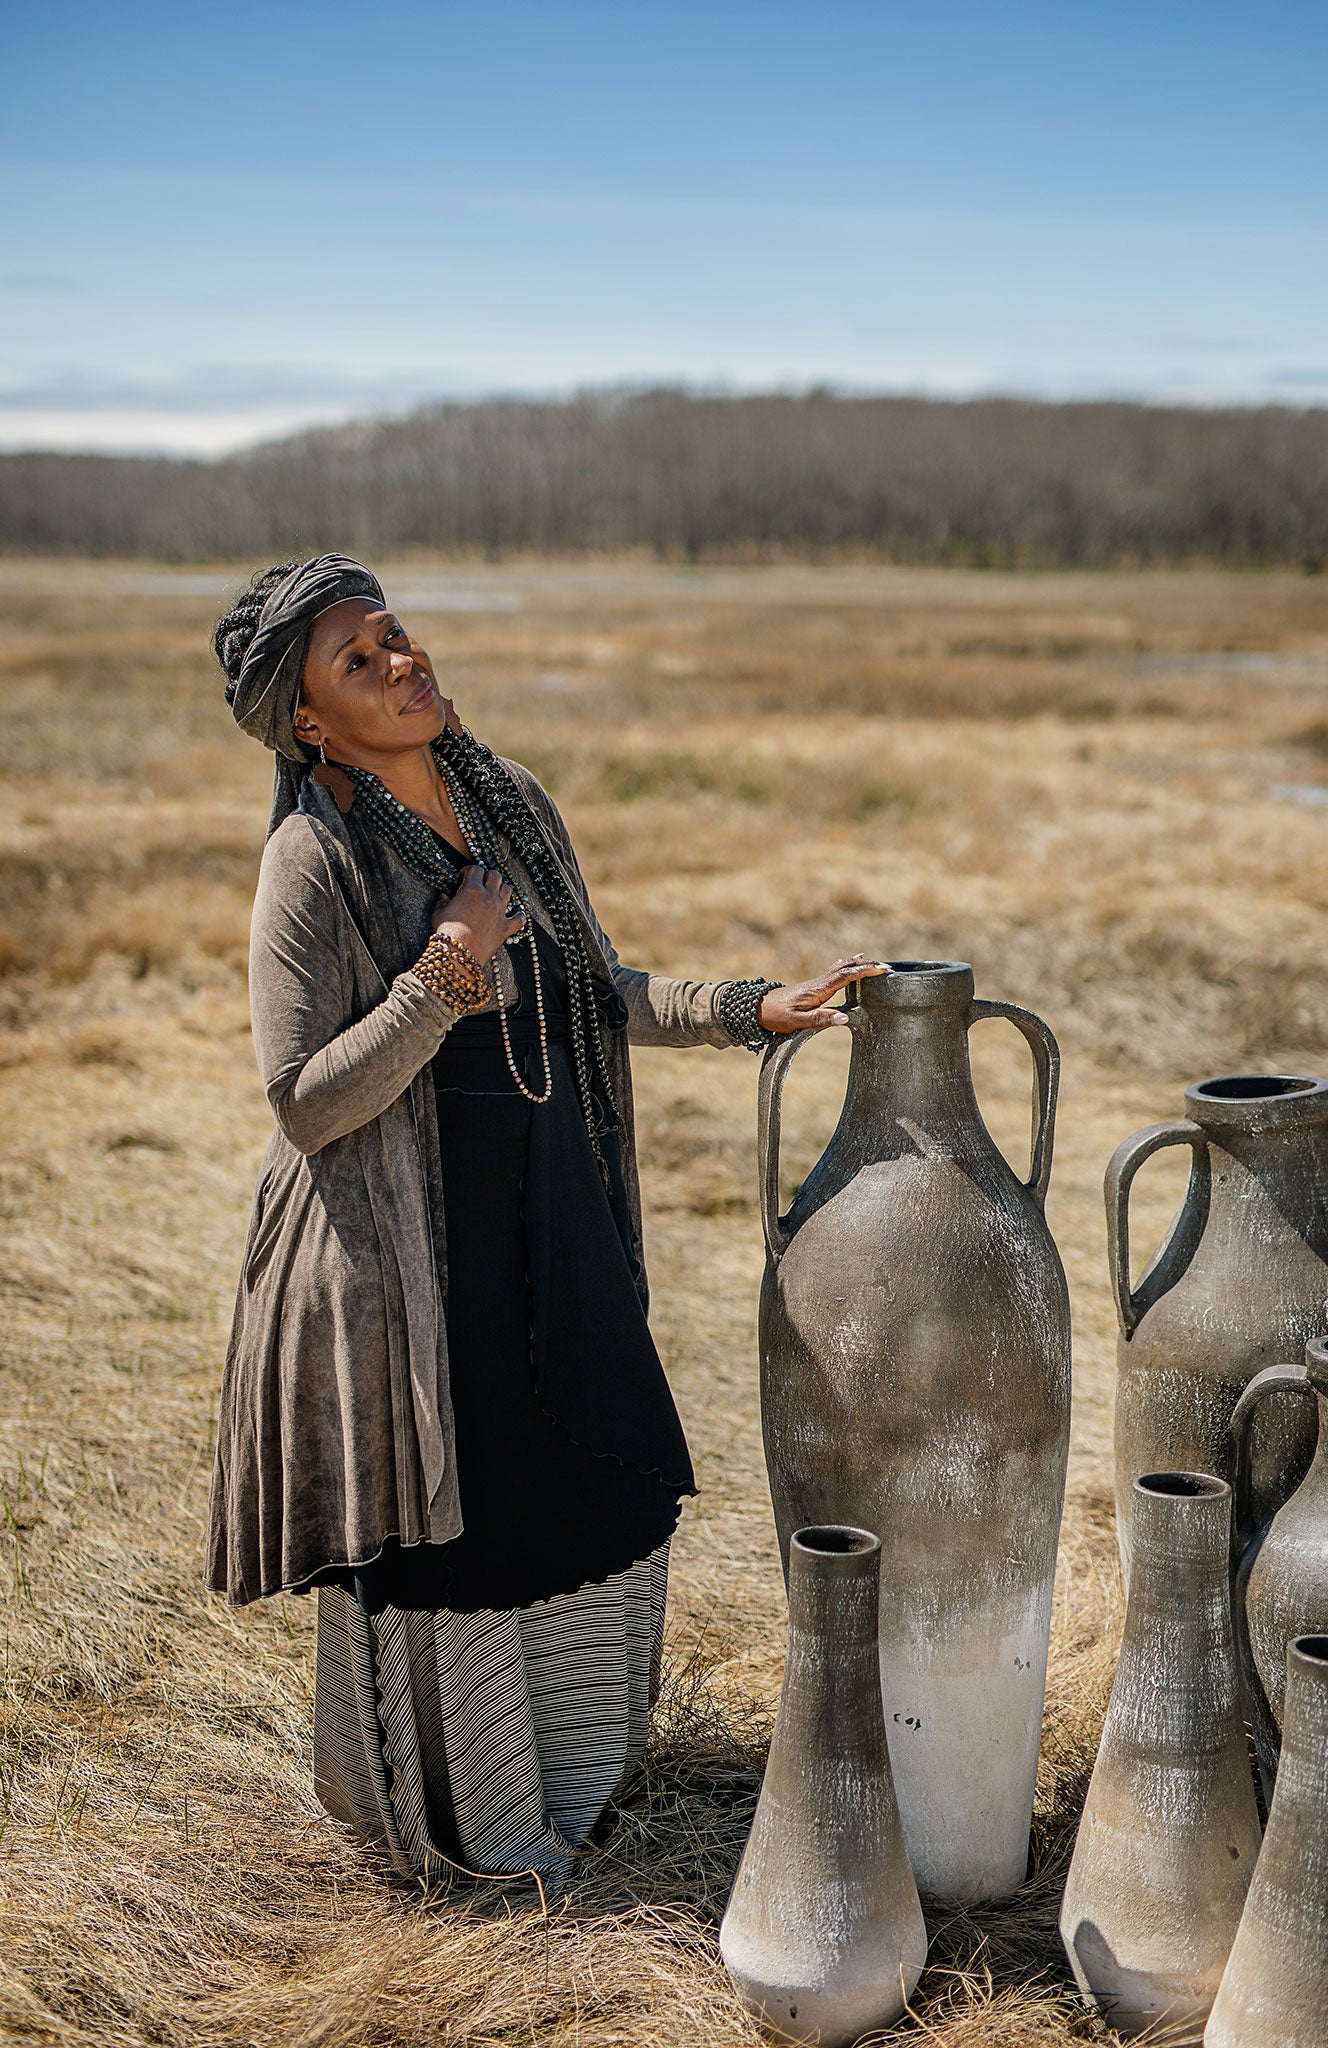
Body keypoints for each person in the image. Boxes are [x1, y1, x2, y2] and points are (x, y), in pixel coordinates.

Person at [206, 554, 886, 1884]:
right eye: (359, 662)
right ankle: (473, 1825)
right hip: (412, 1256)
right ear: (305, 721)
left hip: (553, 1217)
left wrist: (753, 1007)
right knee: (472, 1532)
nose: (402, 662)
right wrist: (446, 972)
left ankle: (585, 1778)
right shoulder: (313, 861)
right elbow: (302, 1103)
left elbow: (595, 985)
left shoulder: (505, 803)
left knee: (599, 1485)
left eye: (395, 635)